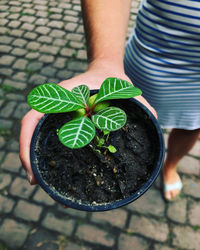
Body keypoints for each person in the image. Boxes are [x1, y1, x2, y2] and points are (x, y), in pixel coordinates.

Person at [20, 0, 200, 201]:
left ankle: (171, 165)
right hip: (150, 61)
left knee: (192, 125)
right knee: (135, 109)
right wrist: (104, 62)